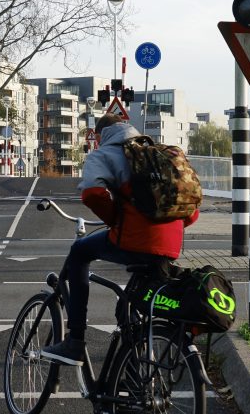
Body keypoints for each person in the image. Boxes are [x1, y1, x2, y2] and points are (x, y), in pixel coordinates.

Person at [41, 112, 199, 366]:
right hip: (170, 244)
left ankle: (75, 342)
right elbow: (190, 210)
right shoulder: (159, 154)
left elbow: (92, 194)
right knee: (130, 304)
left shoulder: (104, 154)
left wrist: (115, 220)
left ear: (100, 136)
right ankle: (130, 376)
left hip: (136, 240)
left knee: (80, 253)